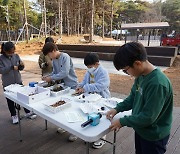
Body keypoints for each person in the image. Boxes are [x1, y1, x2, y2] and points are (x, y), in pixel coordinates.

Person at [106, 42, 173, 154]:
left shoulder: (157, 83)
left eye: (125, 70)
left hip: (154, 135)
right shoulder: (141, 76)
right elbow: (133, 97)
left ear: (137, 63)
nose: (127, 73)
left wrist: (122, 121)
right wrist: (117, 108)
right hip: (141, 129)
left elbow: (148, 117)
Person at [42, 42, 78, 141]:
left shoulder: (65, 57)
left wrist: (51, 78)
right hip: (64, 86)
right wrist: (48, 76)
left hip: (72, 85)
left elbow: (64, 73)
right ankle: (65, 126)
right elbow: (55, 72)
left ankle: (75, 132)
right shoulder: (54, 60)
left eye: (49, 55)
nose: (49, 57)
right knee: (63, 107)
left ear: (53, 50)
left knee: (73, 109)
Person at [76, 53, 110, 149]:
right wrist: (80, 86)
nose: (89, 68)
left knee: (101, 117)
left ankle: (102, 137)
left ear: (97, 64)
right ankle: (91, 135)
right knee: (91, 115)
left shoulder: (103, 72)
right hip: (91, 98)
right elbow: (84, 81)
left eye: (90, 66)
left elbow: (101, 86)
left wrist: (86, 88)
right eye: (88, 67)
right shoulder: (89, 72)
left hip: (102, 97)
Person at [0, 42, 37, 124]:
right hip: (8, 84)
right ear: (5, 51)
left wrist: (21, 66)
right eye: (10, 52)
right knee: (10, 101)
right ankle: (14, 115)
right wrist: (11, 67)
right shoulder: (1, 59)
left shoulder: (16, 56)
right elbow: (1, 70)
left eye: (13, 52)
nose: (12, 54)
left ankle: (28, 112)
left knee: (23, 97)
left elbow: (21, 66)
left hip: (18, 81)